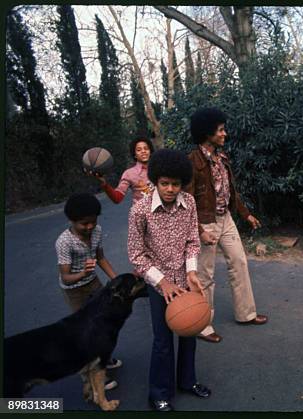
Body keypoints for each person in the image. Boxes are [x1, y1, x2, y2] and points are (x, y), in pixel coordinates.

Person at [127, 148, 210, 412]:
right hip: (159, 284)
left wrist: (192, 272)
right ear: (155, 180)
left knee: (190, 331)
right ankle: (159, 393)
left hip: (184, 280)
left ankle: (187, 381)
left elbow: (192, 242)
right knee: (163, 341)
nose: (171, 189)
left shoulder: (189, 204)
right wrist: (162, 283)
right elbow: (136, 254)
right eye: (165, 183)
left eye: (176, 183)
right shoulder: (140, 210)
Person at [185, 107, 268, 344]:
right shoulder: (192, 161)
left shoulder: (222, 158)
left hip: (226, 219)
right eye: (220, 130)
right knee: (204, 274)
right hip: (205, 221)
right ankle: (202, 324)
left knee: (239, 262)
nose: (225, 134)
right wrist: (199, 230)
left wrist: (246, 215)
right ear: (206, 132)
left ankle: (246, 314)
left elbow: (231, 192)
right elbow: (187, 200)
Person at [55, 192, 122, 390]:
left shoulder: (97, 231)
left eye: (93, 222)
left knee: (105, 324)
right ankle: (90, 377)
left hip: (94, 283)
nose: (90, 227)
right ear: (72, 221)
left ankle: (103, 358)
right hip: (74, 289)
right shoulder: (64, 242)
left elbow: (100, 257)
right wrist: (83, 273)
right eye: (84, 224)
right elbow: (66, 276)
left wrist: (115, 278)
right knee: (85, 333)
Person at [86, 136, 155, 205]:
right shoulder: (129, 173)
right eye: (139, 150)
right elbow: (117, 198)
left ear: (150, 152)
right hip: (140, 214)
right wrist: (104, 184)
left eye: (146, 148)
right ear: (135, 155)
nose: (143, 151)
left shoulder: (158, 169)